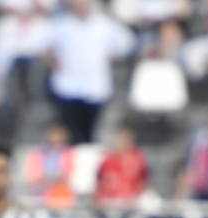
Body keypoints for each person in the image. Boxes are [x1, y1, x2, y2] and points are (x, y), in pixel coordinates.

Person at [28, 0, 135, 144]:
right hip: (67, 86)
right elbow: (39, 44)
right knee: (70, 131)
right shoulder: (61, 24)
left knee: (90, 132)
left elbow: (127, 43)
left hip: (95, 87)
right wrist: (51, 59)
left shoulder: (103, 23)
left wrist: (112, 54)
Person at [94, 124, 150, 208]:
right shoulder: (107, 160)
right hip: (109, 201)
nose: (124, 142)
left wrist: (135, 198)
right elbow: (99, 182)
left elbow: (144, 182)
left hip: (131, 202)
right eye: (121, 139)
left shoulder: (138, 159)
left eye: (127, 139)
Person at [25, 121, 76, 209]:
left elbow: (69, 173)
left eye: (58, 134)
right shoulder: (37, 152)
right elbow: (33, 175)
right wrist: (44, 181)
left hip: (60, 187)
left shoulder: (69, 153)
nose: (55, 137)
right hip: (41, 187)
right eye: (53, 134)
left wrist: (57, 181)